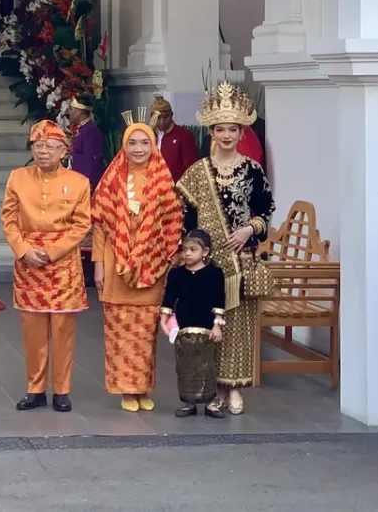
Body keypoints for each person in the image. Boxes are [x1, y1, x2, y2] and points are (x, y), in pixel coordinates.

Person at [176, 80, 275, 417]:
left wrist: (249, 228)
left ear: (241, 131)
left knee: (237, 327)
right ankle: (211, 388)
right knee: (208, 327)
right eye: (221, 129)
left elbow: (265, 213)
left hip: (240, 261)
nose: (227, 135)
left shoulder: (253, 171)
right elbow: (186, 219)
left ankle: (234, 388)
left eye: (233, 129)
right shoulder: (196, 174)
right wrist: (192, 252)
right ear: (212, 132)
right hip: (207, 265)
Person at [91, 111, 181, 412]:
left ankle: (142, 388)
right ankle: (125, 390)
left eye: (145, 143)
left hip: (152, 267)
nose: (139, 149)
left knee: (145, 333)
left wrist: (169, 262)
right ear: (124, 146)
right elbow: (100, 224)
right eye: (133, 143)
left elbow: (172, 223)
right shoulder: (112, 180)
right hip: (116, 265)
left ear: (153, 146)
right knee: (119, 331)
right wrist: (99, 264)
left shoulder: (163, 180)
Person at [2, 120, 91, 412]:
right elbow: (9, 220)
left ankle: (62, 390)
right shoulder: (17, 178)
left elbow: (81, 226)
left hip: (63, 264)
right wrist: (23, 250)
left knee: (63, 331)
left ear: (63, 150)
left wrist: (52, 251)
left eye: (50, 147)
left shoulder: (79, 182)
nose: (43, 152)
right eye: (37, 146)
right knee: (33, 332)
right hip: (28, 264)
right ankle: (35, 388)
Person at [161, 230, 226, 418]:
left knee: (207, 365)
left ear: (205, 252)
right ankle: (189, 402)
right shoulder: (176, 274)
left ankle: (210, 402)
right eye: (184, 249)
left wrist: (217, 325)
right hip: (184, 327)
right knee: (185, 365)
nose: (187, 253)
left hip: (206, 327)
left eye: (193, 249)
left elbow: (218, 301)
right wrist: (164, 319)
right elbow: (169, 298)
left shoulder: (214, 274)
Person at [150, 94, 199, 185]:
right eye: (158, 117)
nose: (162, 121)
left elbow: (190, 169)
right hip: (151, 189)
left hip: (175, 190)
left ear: (172, 115)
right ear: (151, 117)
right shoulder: (148, 136)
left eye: (166, 117)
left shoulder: (184, 135)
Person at [67, 95, 104, 192]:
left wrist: (86, 184)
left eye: (71, 109)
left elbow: (90, 161)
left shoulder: (90, 131)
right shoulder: (83, 129)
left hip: (85, 186)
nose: (69, 113)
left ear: (79, 111)